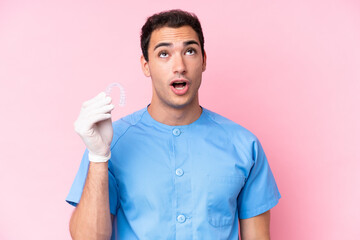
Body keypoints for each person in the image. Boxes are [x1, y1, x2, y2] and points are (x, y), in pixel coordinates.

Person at [66, 9, 281, 240]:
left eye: (190, 51)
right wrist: (98, 157)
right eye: (164, 54)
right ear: (146, 65)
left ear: (204, 60)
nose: (179, 66)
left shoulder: (244, 146)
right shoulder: (111, 143)